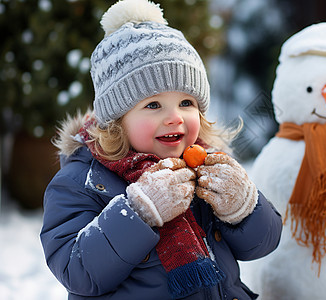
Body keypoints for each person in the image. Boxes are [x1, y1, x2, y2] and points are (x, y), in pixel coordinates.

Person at [40, 0, 282, 299]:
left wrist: (243, 207)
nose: (175, 117)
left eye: (186, 103)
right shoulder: (82, 182)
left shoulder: (205, 167)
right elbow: (77, 271)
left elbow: (262, 244)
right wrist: (138, 212)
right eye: (153, 105)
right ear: (116, 121)